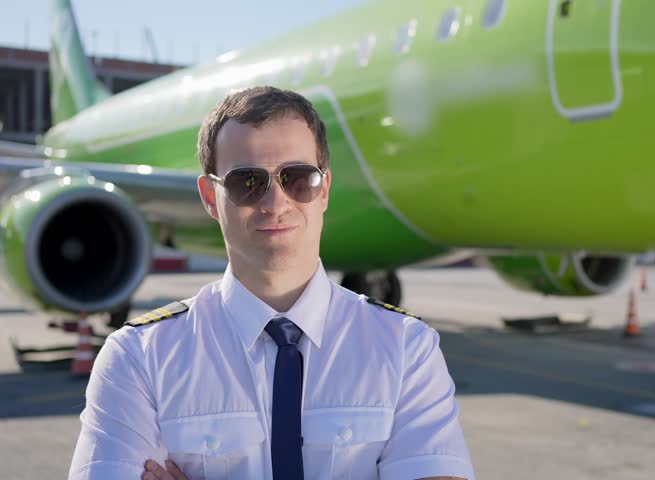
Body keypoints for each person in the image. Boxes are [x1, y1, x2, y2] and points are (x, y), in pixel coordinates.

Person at [68, 86, 474, 480]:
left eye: (297, 179)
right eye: (247, 182)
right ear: (211, 197)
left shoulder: (407, 348)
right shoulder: (138, 358)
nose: (275, 202)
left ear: (324, 189)